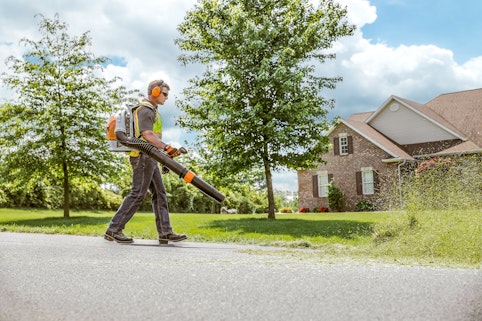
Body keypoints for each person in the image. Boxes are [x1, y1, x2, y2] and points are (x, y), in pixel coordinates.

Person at [104, 79, 187, 244]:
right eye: (164, 93)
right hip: (142, 157)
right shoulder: (146, 110)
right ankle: (114, 229)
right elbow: (147, 134)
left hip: (151, 157)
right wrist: (167, 148)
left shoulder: (153, 111)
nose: (166, 97)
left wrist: (164, 159)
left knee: (160, 193)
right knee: (137, 193)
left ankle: (165, 232)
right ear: (155, 92)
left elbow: (153, 138)